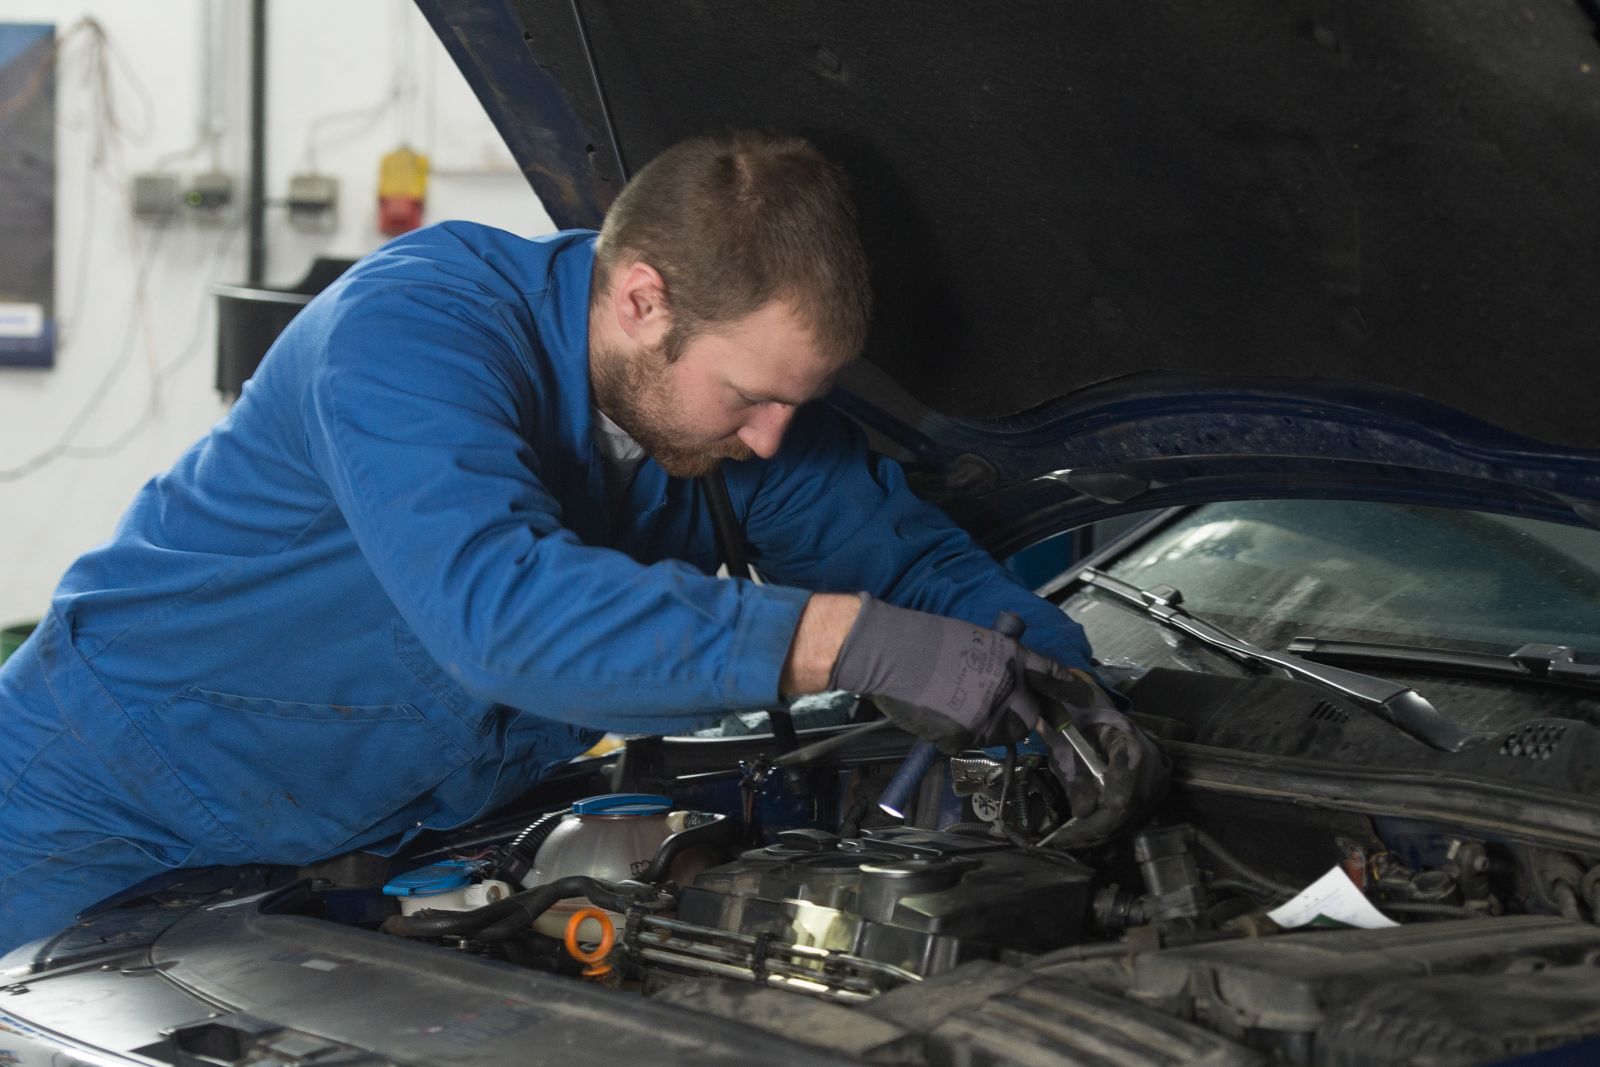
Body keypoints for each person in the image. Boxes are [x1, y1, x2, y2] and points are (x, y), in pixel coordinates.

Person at [0, 131, 1161, 953]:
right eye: (751, 396)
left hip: (374, 843)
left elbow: (912, 566)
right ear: (642, 300)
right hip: (95, 794)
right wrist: (846, 640)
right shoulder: (413, 331)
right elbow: (499, 612)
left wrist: (1058, 675)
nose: (770, 442)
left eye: (794, 405)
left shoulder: (731, 421)